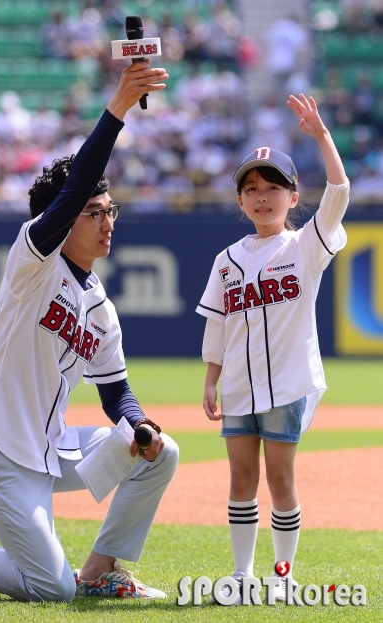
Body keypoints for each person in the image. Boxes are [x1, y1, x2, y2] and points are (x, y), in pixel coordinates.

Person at [0, 61, 179, 601]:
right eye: (93, 212)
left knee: (163, 452)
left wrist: (136, 424)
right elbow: (75, 186)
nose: (108, 221)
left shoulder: (101, 308)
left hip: (51, 449)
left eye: (111, 211)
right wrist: (117, 109)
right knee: (50, 591)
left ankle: (102, 570)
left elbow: (116, 394)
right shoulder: (31, 265)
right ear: (64, 221)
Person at [196, 93, 349, 604]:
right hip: (238, 386)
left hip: (286, 384)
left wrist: (322, 137)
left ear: (292, 195)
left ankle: (282, 576)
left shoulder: (304, 247)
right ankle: (242, 576)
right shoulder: (226, 260)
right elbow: (217, 324)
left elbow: (340, 191)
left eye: (273, 188)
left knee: (280, 481)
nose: (262, 197)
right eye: (252, 189)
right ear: (239, 200)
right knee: (241, 478)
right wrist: (211, 378)